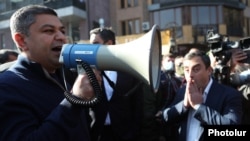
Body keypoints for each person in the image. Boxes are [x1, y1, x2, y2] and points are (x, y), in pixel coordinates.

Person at [0, 5, 102, 141]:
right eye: (49, 31)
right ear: (22, 40)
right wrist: (74, 100)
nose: (61, 37)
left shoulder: (66, 76)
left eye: (62, 31)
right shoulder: (6, 88)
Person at [161, 51, 242, 141]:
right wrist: (184, 105)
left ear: (209, 70)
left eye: (196, 69)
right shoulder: (183, 92)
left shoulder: (229, 94)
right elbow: (164, 118)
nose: (190, 75)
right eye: (187, 70)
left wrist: (199, 107)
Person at [88, 27, 144, 141]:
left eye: (95, 43)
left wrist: (134, 132)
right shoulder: (86, 69)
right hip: (96, 133)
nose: (90, 48)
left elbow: (138, 104)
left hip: (125, 134)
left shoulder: (129, 69)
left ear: (109, 44)